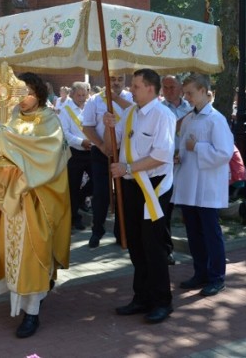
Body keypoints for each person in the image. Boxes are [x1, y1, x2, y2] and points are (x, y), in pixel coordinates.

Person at [0, 71, 71, 338]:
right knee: (13, 255)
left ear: (38, 92)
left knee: (33, 256)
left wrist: (8, 142)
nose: (23, 98)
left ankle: (32, 314)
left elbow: (48, 158)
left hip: (36, 199)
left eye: (27, 92)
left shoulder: (50, 120)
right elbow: (1, 149)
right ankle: (23, 303)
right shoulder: (13, 119)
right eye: (19, 93)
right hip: (12, 201)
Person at [102, 69, 175, 324]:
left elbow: (161, 155)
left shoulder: (163, 115)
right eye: (132, 85)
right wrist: (109, 126)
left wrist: (128, 169)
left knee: (153, 245)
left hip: (153, 186)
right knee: (134, 241)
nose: (131, 90)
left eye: (135, 85)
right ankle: (141, 296)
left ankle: (162, 301)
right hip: (131, 184)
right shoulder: (131, 113)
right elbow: (112, 146)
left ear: (150, 89)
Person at [172, 74, 233, 296]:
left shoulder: (216, 119)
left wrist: (197, 148)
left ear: (203, 91)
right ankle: (201, 272)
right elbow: (184, 146)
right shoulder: (189, 119)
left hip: (207, 185)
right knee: (194, 233)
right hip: (190, 183)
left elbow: (225, 153)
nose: (186, 97)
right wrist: (179, 155)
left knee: (210, 232)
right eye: (185, 93)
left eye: (189, 92)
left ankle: (217, 276)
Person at [82, 73, 133, 248]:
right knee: (101, 193)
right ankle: (97, 230)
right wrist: (102, 145)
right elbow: (87, 127)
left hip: (124, 152)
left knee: (123, 194)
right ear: (106, 81)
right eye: (112, 79)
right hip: (101, 151)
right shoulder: (94, 101)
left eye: (120, 79)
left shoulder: (131, 98)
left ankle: (121, 233)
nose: (116, 82)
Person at [160, 74, 192, 265]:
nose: (168, 91)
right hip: (166, 165)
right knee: (166, 210)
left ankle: (195, 246)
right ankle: (166, 249)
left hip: (187, 164)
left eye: (172, 87)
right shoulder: (160, 109)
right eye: (165, 87)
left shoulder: (190, 107)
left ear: (181, 87)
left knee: (190, 208)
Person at [59, 81, 93, 231]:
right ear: (72, 94)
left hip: (92, 151)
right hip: (75, 153)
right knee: (73, 186)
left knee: (99, 180)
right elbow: (65, 133)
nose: (81, 98)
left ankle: (81, 198)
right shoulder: (65, 110)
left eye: (84, 95)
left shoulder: (90, 107)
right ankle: (74, 219)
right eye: (78, 95)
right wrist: (81, 142)